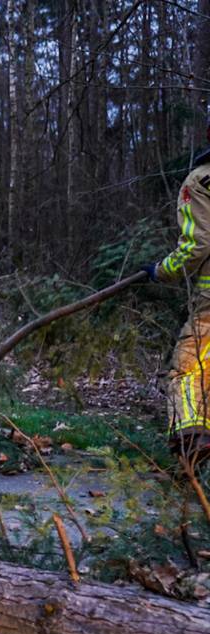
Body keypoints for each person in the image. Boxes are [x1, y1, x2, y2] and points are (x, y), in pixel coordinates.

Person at [148, 125, 210, 463]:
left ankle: (194, 442)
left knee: (190, 368)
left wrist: (161, 271)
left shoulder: (200, 181)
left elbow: (197, 245)